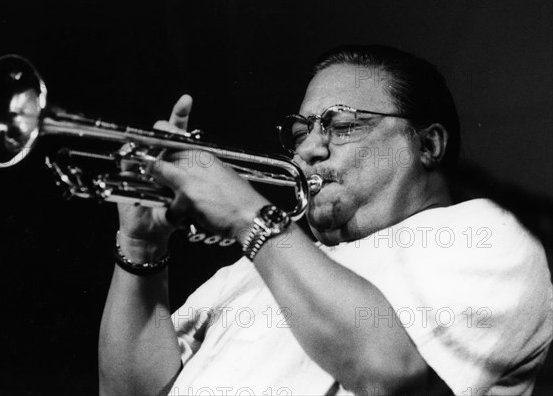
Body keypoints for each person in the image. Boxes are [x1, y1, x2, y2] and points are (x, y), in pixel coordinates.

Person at [98, 45, 552, 396]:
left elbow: (391, 374)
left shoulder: (484, 235)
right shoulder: (253, 269)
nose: (309, 150)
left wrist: (245, 213)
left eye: (343, 125)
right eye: (301, 132)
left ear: (428, 145)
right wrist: (142, 250)